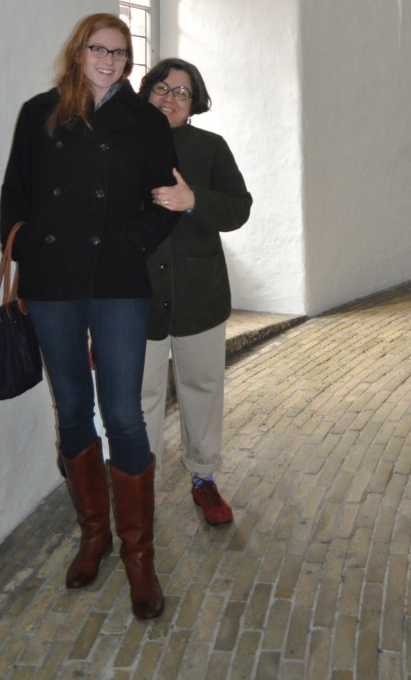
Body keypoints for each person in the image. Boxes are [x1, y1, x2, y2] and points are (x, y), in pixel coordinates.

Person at [0, 13, 179, 621]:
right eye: (98, 49)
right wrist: (29, 250)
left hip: (118, 283)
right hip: (53, 283)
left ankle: (139, 555)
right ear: (78, 52)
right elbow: (16, 196)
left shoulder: (145, 121)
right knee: (72, 407)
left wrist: (131, 243)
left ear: (129, 62)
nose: (108, 60)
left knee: (124, 413)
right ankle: (94, 534)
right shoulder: (39, 113)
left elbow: (166, 200)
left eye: (120, 53)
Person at [138, 58, 252, 525]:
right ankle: (140, 488)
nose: (170, 98)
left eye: (182, 92)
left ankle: (204, 477)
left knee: (202, 387)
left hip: (200, 295)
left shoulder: (211, 148)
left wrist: (193, 201)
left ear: (195, 102)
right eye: (162, 88)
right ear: (147, 91)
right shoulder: (123, 145)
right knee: (140, 396)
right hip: (136, 299)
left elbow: (239, 208)